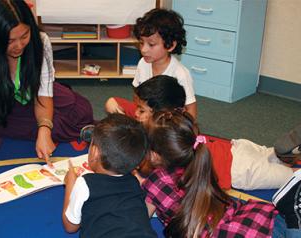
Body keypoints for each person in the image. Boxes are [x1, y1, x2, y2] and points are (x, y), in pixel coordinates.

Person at [0, 0, 93, 175]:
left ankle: (73, 127)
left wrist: (44, 129)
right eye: (10, 41)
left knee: (82, 109)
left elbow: (43, 93)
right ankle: (81, 130)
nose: (19, 45)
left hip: (27, 90)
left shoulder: (40, 41)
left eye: (24, 35)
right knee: (58, 125)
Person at [142, 111, 301, 237]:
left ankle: (293, 214)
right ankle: (293, 212)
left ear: (155, 155)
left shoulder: (154, 182)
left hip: (226, 231)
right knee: (280, 223)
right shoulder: (197, 160)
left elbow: (139, 219)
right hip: (245, 217)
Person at [133, 75, 296, 190]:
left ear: (161, 114)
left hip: (240, 170)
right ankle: (284, 153)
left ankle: (285, 159)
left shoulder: (166, 149)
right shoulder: (180, 127)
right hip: (236, 148)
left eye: (141, 110)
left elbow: (149, 172)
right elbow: (119, 105)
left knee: (292, 177)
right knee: (274, 157)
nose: (135, 114)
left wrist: (135, 172)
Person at [62, 114, 157, 237]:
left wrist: (70, 184)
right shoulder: (134, 183)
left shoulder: (85, 183)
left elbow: (70, 226)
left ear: (95, 152)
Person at [104, 8, 197, 119]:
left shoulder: (181, 74)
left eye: (151, 44)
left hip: (165, 120)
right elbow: (137, 97)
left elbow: (191, 111)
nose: (143, 50)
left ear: (170, 45)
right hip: (144, 113)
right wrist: (140, 111)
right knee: (111, 103)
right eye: (141, 43)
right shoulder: (143, 63)